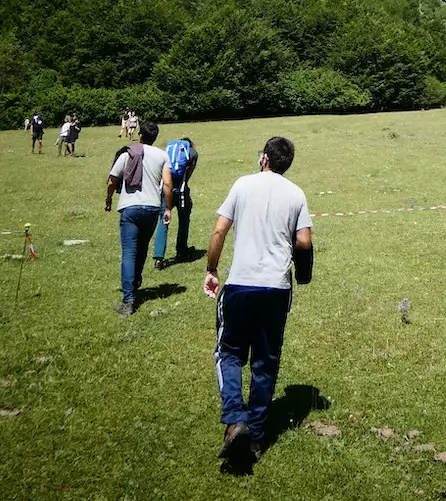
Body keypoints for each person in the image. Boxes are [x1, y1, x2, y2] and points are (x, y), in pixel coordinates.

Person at [205, 135, 313, 467]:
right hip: (277, 290)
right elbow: (305, 242)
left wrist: (211, 268)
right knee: (265, 362)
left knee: (229, 353)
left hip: (240, 285)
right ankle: (256, 436)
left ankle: (235, 418)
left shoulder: (242, 185)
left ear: (265, 158)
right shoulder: (296, 194)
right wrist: (304, 272)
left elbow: (220, 230)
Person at [105, 121, 173, 316]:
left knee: (129, 252)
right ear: (155, 137)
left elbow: (112, 181)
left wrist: (109, 199)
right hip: (152, 208)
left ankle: (128, 300)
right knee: (142, 250)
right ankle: (135, 286)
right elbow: (167, 184)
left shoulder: (127, 153)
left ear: (140, 135)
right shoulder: (162, 155)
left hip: (130, 208)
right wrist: (167, 207)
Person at [153, 137, 199, 269]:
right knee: (184, 220)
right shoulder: (193, 153)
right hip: (182, 190)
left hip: (167, 189)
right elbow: (189, 174)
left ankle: (158, 257)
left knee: (164, 221)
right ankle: (182, 251)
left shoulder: (167, 152)